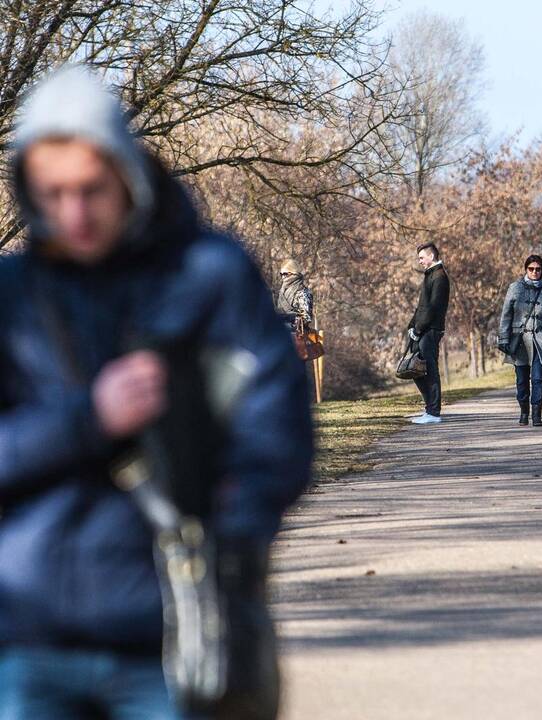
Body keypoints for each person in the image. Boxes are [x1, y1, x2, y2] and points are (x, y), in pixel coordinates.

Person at [0, 65, 312, 719]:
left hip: (171, 637)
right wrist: (90, 419)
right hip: (27, 641)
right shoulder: (13, 298)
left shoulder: (209, 274)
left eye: (92, 190)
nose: (74, 214)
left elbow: (276, 431)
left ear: (130, 174)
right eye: (52, 194)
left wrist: (229, 544)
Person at [498, 255, 542, 427]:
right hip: (520, 341)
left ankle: (536, 414)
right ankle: (524, 411)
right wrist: (503, 337)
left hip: (541, 341)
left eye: (538, 269)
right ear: (526, 269)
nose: (535, 272)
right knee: (521, 380)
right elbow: (506, 315)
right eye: (531, 269)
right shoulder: (515, 288)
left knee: (538, 379)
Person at [407, 242, 451, 425]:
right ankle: (429, 410)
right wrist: (411, 326)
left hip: (430, 330)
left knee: (429, 371)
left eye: (422, 258)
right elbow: (421, 306)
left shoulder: (439, 277)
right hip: (422, 330)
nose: (420, 261)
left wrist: (418, 329)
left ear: (431, 256)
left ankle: (434, 412)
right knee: (416, 370)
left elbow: (432, 308)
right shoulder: (431, 275)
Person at [276, 257, 314, 330]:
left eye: (286, 274)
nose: (283, 277)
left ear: (294, 273)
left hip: (298, 332)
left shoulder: (303, 292)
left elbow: (306, 318)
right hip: (281, 329)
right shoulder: (282, 291)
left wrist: (290, 317)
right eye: (281, 274)